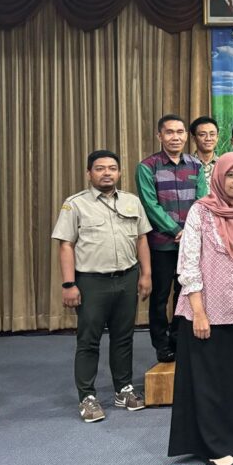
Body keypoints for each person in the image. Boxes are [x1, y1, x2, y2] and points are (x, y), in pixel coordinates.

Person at [169, 152, 233, 465]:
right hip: (206, 310)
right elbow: (188, 262)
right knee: (209, 381)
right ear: (219, 178)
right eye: (231, 176)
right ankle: (214, 447)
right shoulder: (201, 211)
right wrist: (198, 311)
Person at [52, 150, 153, 422]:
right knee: (89, 340)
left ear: (119, 172)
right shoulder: (75, 204)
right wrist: (69, 284)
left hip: (127, 278)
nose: (107, 173)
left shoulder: (132, 201)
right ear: (89, 173)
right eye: (99, 168)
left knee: (124, 337)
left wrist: (146, 275)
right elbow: (66, 245)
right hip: (91, 282)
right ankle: (87, 397)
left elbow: (142, 239)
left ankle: (123, 389)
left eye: (112, 168)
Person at [136, 114, 206, 363]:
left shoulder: (195, 165)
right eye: (169, 132)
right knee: (160, 296)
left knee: (184, 293)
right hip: (161, 245)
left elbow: (202, 201)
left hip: (191, 244)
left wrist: (190, 234)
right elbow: (150, 205)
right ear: (160, 136)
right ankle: (161, 344)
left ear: (186, 136)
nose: (175, 137)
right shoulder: (148, 166)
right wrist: (176, 230)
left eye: (180, 132)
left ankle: (179, 339)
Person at [189, 115, 219, 190]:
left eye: (212, 134)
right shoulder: (186, 164)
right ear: (193, 138)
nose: (208, 138)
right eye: (202, 134)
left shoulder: (224, 165)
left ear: (217, 137)